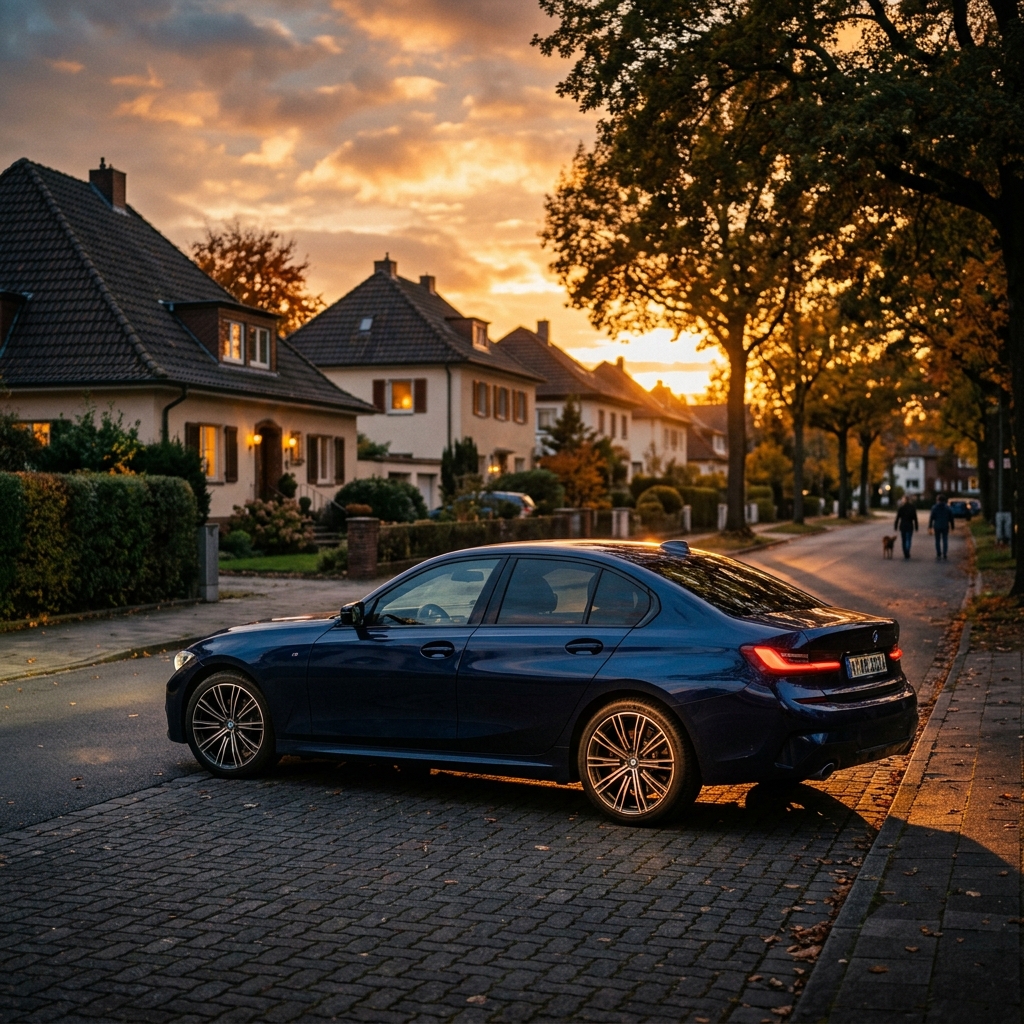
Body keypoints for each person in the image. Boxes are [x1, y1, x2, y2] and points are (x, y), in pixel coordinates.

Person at [929, 493, 955, 560]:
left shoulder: (934, 508)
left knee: (937, 540)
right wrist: (952, 527)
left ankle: (938, 553)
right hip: (945, 525)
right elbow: (951, 518)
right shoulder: (948, 508)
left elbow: (931, 518)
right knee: (945, 539)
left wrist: (930, 526)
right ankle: (945, 553)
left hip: (937, 526)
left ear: (938, 500)